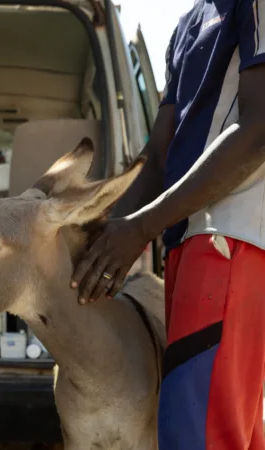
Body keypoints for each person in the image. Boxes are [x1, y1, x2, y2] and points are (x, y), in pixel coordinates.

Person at [71, 1, 265, 448]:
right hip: (186, 238)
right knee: (226, 427)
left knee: (197, 434)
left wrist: (139, 230)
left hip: (229, 236)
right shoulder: (188, 25)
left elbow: (257, 129)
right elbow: (156, 156)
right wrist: (97, 233)